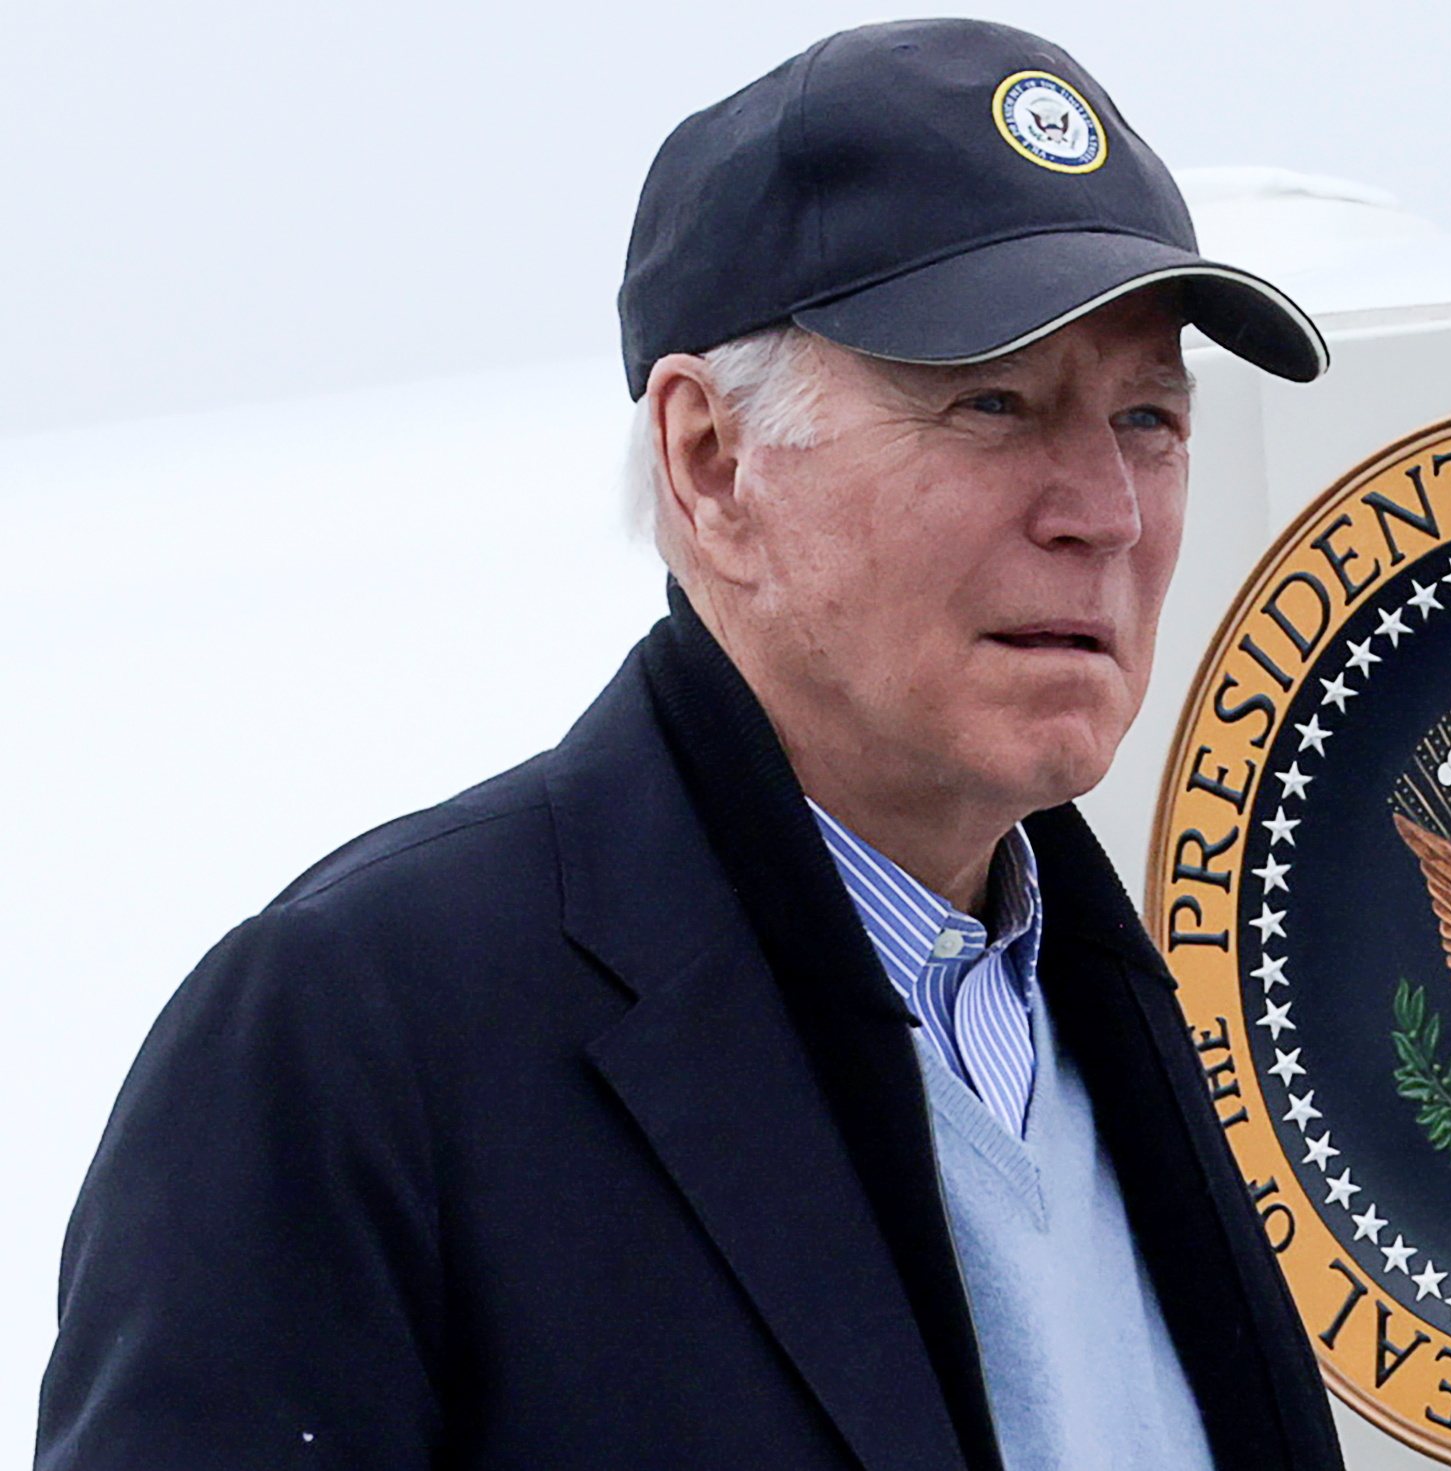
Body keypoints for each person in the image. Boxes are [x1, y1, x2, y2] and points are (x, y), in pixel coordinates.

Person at [36, 19, 1342, 1471]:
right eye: (995, 402)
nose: (1103, 507)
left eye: (1150, 415)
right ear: (710, 463)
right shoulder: (355, 1044)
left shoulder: (1129, 1023)